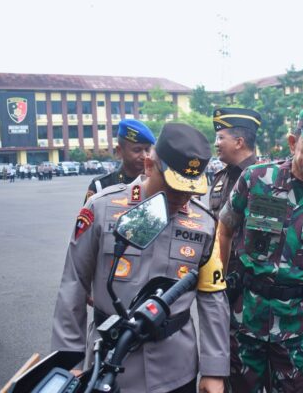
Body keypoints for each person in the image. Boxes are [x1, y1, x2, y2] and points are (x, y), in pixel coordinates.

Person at [51, 123, 229, 393]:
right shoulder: (102, 208)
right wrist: (69, 361)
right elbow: (73, 285)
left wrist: (214, 370)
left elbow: (212, 297)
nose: (183, 198)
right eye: (174, 188)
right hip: (109, 362)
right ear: (149, 166)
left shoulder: (204, 223)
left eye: (191, 190)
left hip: (176, 367)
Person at [217, 109, 303, 392]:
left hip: (295, 326)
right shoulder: (257, 179)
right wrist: (219, 291)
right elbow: (225, 230)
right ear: (293, 143)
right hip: (246, 317)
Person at [84, 119, 155, 203]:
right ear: (119, 151)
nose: (144, 156)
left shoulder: (155, 182)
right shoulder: (100, 186)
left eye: (147, 150)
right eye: (137, 150)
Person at [209, 107, 261, 219]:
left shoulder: (263, 179)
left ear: (238, 142)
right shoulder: (221, 177)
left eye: (220, 138)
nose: (216, 144)